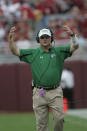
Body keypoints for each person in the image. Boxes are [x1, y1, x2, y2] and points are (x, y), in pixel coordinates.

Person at [8, 25, 79, 131]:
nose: (45, 39)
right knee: (41, 125)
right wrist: (10, 39)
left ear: (51, 38)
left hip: (55, 91)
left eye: (47, 36)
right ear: (38, 39)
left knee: (59, 118)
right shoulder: (33, 53)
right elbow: (15, 51)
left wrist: (73, 37)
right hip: (39, 92)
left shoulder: (59, 51)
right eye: (42, 37)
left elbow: (75, 47)